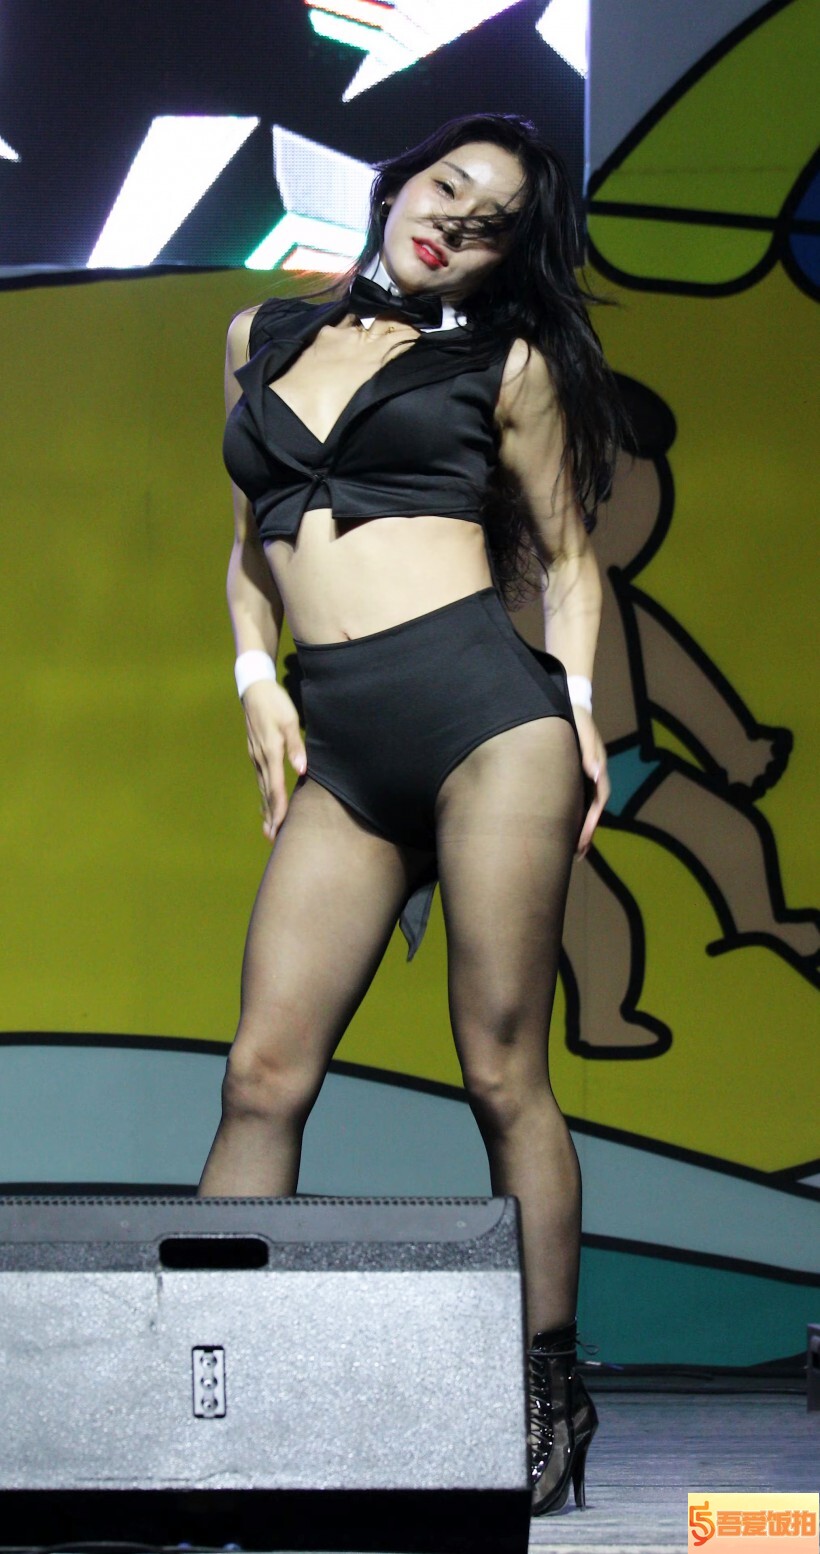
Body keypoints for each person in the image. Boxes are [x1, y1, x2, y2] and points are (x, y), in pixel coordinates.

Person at [198, 113, 621, 1516]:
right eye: (447, 187)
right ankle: (209, 1391)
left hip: (487, 725)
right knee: (262, 1074)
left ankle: (546, 1396)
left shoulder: (507, 365)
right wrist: (256, 679)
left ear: (508, 256)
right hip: (344, 748)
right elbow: (247, 548)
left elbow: (569, 558)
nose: (454, 221)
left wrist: (580, 710)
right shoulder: (258, 335)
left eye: (491, 220)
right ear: (398, 182)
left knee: (501, 1072)